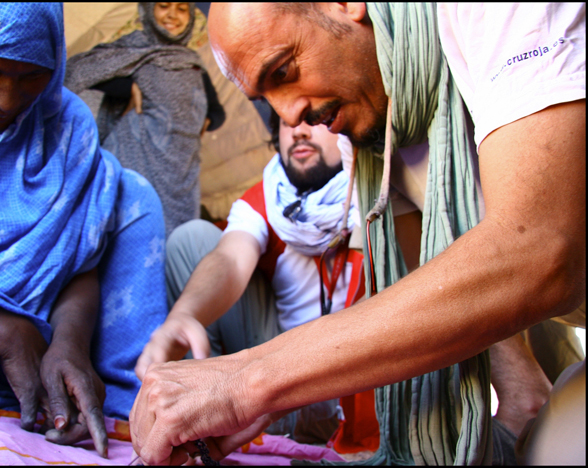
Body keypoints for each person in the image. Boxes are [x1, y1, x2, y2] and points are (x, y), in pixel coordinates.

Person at [129, 3, 585, 465]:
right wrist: (519, 384)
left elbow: (541, 249)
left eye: (284, 71)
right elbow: (434, 282)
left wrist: (248, 381)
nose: (290, 118)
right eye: (265, 98)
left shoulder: (492, 11)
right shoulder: (379, 134)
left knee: (561, 450)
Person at [0, 3, 168, 459]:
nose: (5, 99)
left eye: (33, 75)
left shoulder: (62, 123)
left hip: (41, 345)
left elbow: (77, 255)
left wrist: (68, 342)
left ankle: (124, 402)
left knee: (131, 194)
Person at [135, 110, 379, 448]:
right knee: (192, 240)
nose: (298, 130)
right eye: (284, 120)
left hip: (357, 380)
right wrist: (183, 316)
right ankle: (203, 414)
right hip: (276, 383)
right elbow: (231, 259)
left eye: (314, 116)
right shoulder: (271, 195)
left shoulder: (384, 196)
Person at [65, 2, 225, 236]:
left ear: (190, 18)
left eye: (182, 9)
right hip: (136, 157)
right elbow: (80, 71)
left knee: (175, 241)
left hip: (183, 171)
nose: (173, 15)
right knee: (133, 232)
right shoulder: (133, 48)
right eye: (163, 6)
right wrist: (129, 87)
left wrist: (205, 120)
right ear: (149, 10)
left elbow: (218, 112)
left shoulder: (194, 65)